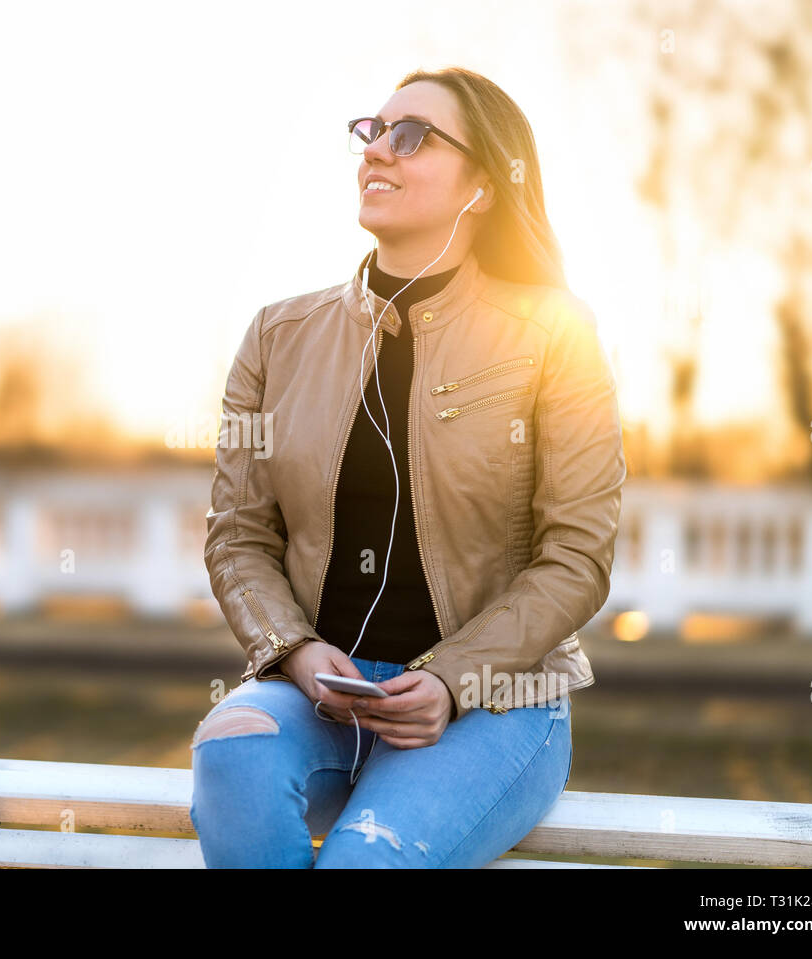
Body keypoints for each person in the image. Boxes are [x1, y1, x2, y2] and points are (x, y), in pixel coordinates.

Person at [189, 66, 627, 867]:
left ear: (485, 185)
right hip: (321, 695)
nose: (376, 152)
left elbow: (577, 558)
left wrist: (453, 678)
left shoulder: (555, 335)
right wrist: (294, 649)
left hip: (500, 701)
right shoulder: (276, 337)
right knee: (231, 744)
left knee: (368, 856)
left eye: (412, 136)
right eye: (371, 130)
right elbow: (238, 536)